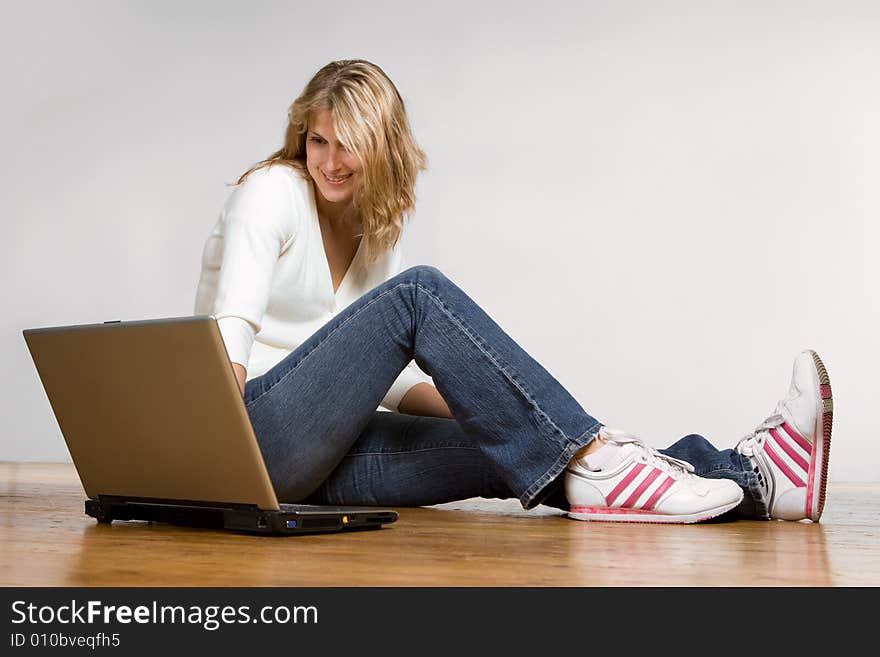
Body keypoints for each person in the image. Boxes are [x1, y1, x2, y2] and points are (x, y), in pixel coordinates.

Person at [194, 59, 833, 524]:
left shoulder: (373, 231)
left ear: (382, 148)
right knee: (422, 295)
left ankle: (759, 480)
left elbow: (382, 380)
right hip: (251, 439)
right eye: (317, 140)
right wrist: (213, 475)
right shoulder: (272, 193)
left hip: (320, 466)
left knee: (520, 447)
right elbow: (230, 333)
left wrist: (497, 407)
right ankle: (595, 451)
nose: (329, 162)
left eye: (349, 146)